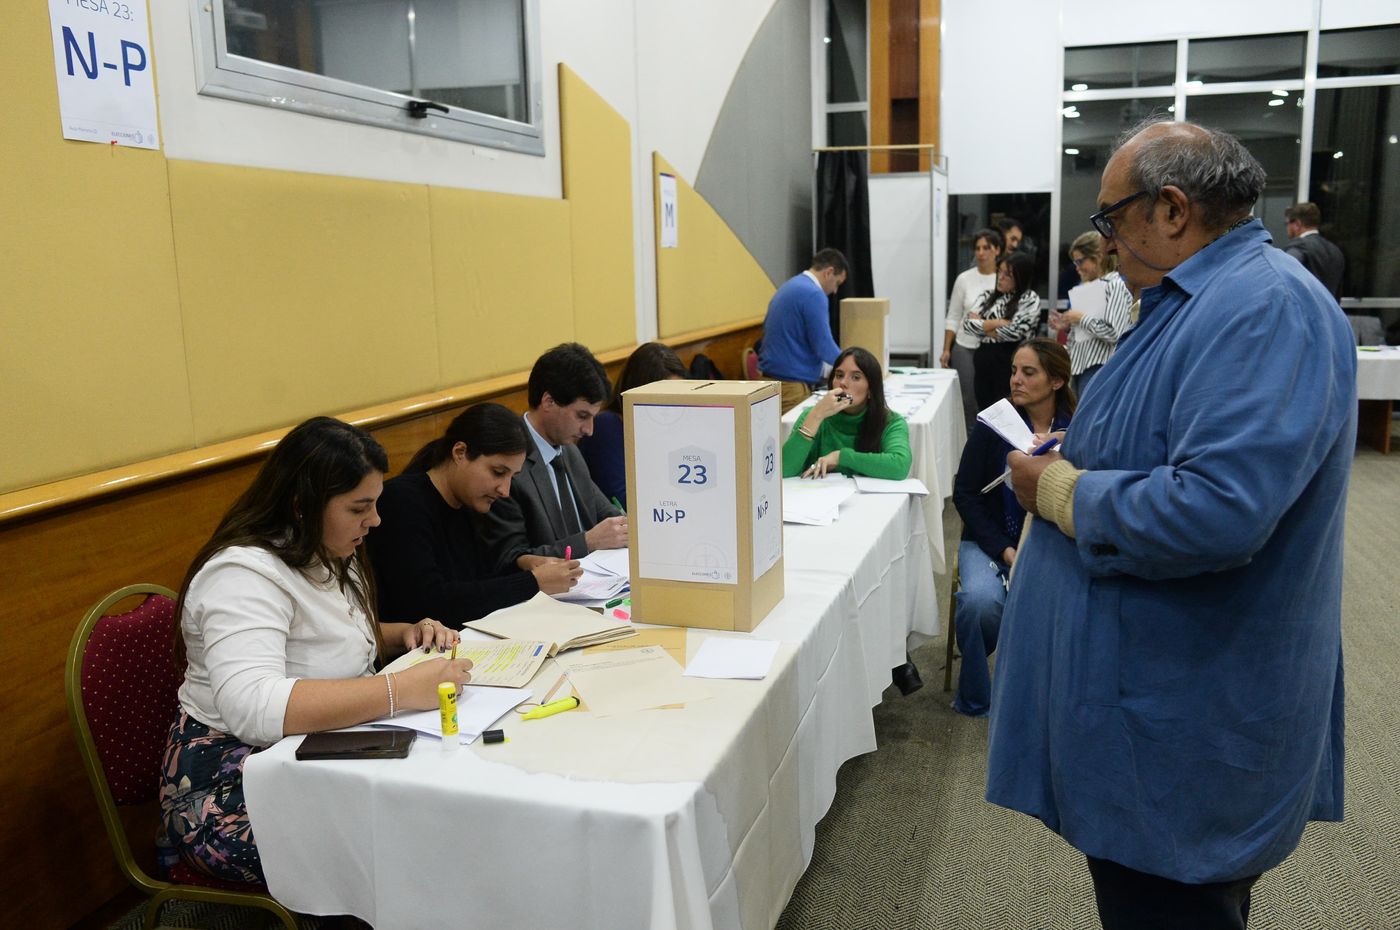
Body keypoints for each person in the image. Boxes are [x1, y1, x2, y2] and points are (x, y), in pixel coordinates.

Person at [992, 119, 1356, 930]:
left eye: (1111, 219)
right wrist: (1079, 452)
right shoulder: (1201, 298)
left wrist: (1055, 489)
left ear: (1172, 208)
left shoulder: (1262, 307)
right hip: (1150, 714)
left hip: (1184, 733)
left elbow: (1216, 511)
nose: (1108, 243)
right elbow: (1164, 445)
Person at [158, 417, 474, 884]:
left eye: (375, 504)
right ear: (302, 506)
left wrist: (402, 632)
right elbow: (252, 707)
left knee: (445, 805)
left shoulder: (323, 550)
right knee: (417, 843)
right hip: (230, 784)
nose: (375, 521)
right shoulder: (240, 578)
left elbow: (323, 637)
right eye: (359, 508)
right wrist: (399, 690)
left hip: (311, 749)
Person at [368, 403, 583, 629]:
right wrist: (533, 582)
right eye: (498, 472)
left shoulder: (471, 502)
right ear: (460, 453)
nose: (505, 490)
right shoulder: (401, 503)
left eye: (512, 477)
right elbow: (428, 603)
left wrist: (524, 564)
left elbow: (481, 582)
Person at [950, 338, 1073, 717]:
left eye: (1028, 372)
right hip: (990, 540)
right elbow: (966, 494)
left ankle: (1051, 697)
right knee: (979, 604)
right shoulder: (993, 424)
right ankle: (974, 699)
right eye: (1014, 371)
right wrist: (1004, 549)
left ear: (1055, 381)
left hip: (1049, 540)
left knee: (1068, 605)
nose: (1016, 379)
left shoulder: (1078, 429)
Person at [479, 343, 628, 573]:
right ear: (548, 402)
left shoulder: (570, 451)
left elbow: (607, 515)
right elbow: (511, 559)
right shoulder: (507, 464)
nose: (589, 430)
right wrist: (587, 542)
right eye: (582, 416)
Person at [577, 341, 688, 505]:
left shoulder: (673, 428)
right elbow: (623, 502)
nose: (673, 407)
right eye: (665, 398)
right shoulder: (606, 428)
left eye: (678, 397)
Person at [781, 346, 912, 480]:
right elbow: (783, 471)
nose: (843, 383)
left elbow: (899, 466)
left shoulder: (891, 421)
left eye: (855, 377)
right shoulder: (814, 415)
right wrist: (816, 415)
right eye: (839, 375)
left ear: (871, 390)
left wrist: (841, 457)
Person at [758, 248, 849, 413]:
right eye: (837, 283)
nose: (835, 291)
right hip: (791, 385)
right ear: (829, 272)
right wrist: (853, 366)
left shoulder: (790, 286)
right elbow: (823, 345)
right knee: (799, 436)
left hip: (771, 381)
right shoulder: (814, 294)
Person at [1049, 231, 1134, 397]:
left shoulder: (1114, 284)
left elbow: (1115, 332)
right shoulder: (1090, 287)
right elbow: (1089, 333)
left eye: (1081, 261)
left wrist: (1081, 318)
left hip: (1100, 367)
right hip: (1079, 367)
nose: (1077, 268)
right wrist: (1068, 326)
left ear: (1098, 257)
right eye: (1075, 263)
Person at [942, 228, 1004, 432]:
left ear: (997, 250)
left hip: (993, 347)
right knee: (968, 397)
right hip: (965, 346)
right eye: (977, 248)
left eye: (986, 247)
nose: (980, 252)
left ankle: (994, 438)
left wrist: (986, 323)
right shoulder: (964, 279)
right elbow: (953, 316)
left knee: (994, 396)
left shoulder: (1003, 279)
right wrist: (946, 349)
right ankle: (969, 437)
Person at [963, 251, 1040, 412]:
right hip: (983, 360)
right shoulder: (987, 296)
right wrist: (997, 323)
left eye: (1008, 274)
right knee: (985, 411)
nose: (1001, 277)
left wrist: (982, 325)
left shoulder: (1029, 298)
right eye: (1000, 271)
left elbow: (1015, 332)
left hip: (1009, 361)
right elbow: (967, 326)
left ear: (1020, 277)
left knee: (1009, 411)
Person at [1282, 202, 1344, 300]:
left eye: (1287, 223)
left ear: (1297, 224)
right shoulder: (1335, 250)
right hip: (1328, 313)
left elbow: (1284, 276)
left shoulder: (1299, 248)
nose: (1287, 228)